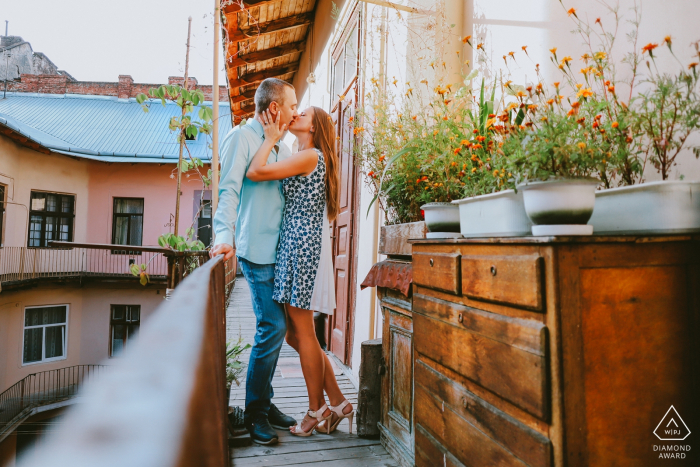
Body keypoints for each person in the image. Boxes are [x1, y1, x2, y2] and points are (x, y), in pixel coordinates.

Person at [246, 106, 354, 437]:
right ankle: (336, 401)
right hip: (296, 245)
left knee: (304, 332)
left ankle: (315, 409)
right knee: (295, 333)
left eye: (303, 113)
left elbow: (256, 171)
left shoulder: (311, 156)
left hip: (302, 247)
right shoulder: (303, 153)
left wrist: (269, 137)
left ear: (316, 126)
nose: (297, 115)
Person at [210, 78, 298, 445]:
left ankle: (265, 401)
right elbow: (227, 190)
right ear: (275, 109)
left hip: (279, 251)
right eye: (292, 106)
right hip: (255, 250)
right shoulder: (240, 139)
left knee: (277, 329)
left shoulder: (280, 143)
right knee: (272, 327)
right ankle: (254, 413)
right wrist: (222, 236)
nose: (296, 112)